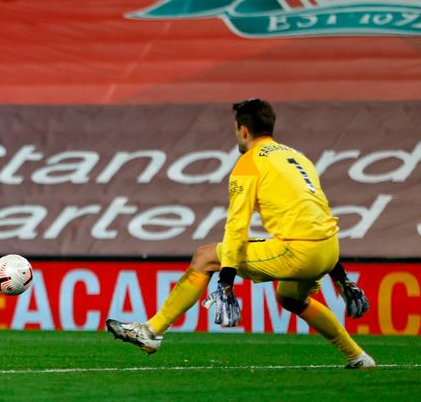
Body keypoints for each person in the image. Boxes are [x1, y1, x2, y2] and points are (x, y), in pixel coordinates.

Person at [106, 98, 374, 369]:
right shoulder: (297, 158)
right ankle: (358, 357)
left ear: (243, 130)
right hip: (328, 250)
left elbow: (236, 226)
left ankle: (151, 332)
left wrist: (226, 279)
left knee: (205, 257)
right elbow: (317, 215)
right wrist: (339, 275)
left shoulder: (249, 163)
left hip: (299, 252)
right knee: (290, 298)